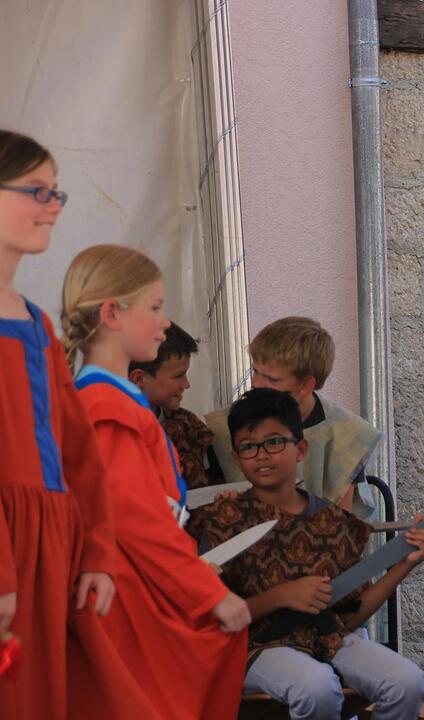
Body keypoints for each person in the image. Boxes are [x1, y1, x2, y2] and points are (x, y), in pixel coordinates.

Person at [0, 129, 157, 719]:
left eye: (56, 193)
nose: (54, 207)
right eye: (37, 191)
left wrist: (96, 553)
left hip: (50, 546)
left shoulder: (36, 324)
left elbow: (78, 455)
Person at [62, 243, 250, 720]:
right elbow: (137, 520)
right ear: (112, 314)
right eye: (155, 307)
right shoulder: (107, 408)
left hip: (134, 587)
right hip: (127, 602)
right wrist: (206, 592)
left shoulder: (105, 401)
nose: (165, 322)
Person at [188, 388, 424, 720]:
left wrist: (405, 564)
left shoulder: (334, 522)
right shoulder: (221, 521)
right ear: (236, 458)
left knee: (406, 682)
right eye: (248, 447)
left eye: (274, 442)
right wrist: (281, 597)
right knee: (317, 688)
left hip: (328, 639)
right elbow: (212, 620)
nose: (262, 455)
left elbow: (350, 616)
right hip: (252, 647)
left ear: (300, 448)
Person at [205, 316, 382, 516]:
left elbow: (345, 528)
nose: (256, 384)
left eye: (271, 378)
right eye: (255, 371)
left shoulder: (349, 436)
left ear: (306, 385)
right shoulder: (220, 429)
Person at [129, 321, 223, 488]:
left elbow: (213, 489)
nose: (187, 384)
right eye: (179, 375)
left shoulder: (190, 427)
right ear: (139, 379)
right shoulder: (102, 435)